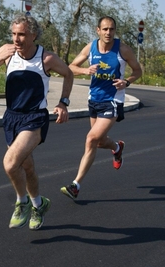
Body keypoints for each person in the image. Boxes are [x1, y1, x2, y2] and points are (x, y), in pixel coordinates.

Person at [0, 14, 73, 230]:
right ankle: (39, 204)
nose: (16, 39)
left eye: (22, 34)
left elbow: (68, 73)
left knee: (11, 163)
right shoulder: (7, 54)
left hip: (34, 118)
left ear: (33, 35)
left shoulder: (46, 59)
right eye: (14, 34)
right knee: (27, 167)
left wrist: (63, 103)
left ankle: (22, 202)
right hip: (12, 118)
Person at [60, 16, 142, 200]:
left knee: (90, 139)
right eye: (105, 29)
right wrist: (85, 70)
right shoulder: (91, 47)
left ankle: (76, 185)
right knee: (98, 141)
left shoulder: (123, 49)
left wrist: (126, 82)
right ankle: (117, 148)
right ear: (98, 30)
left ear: (115, 30)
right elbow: (70, 67)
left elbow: (138, 71)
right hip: (94, 99)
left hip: (112, 100)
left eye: (111, 29)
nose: (108, 33)